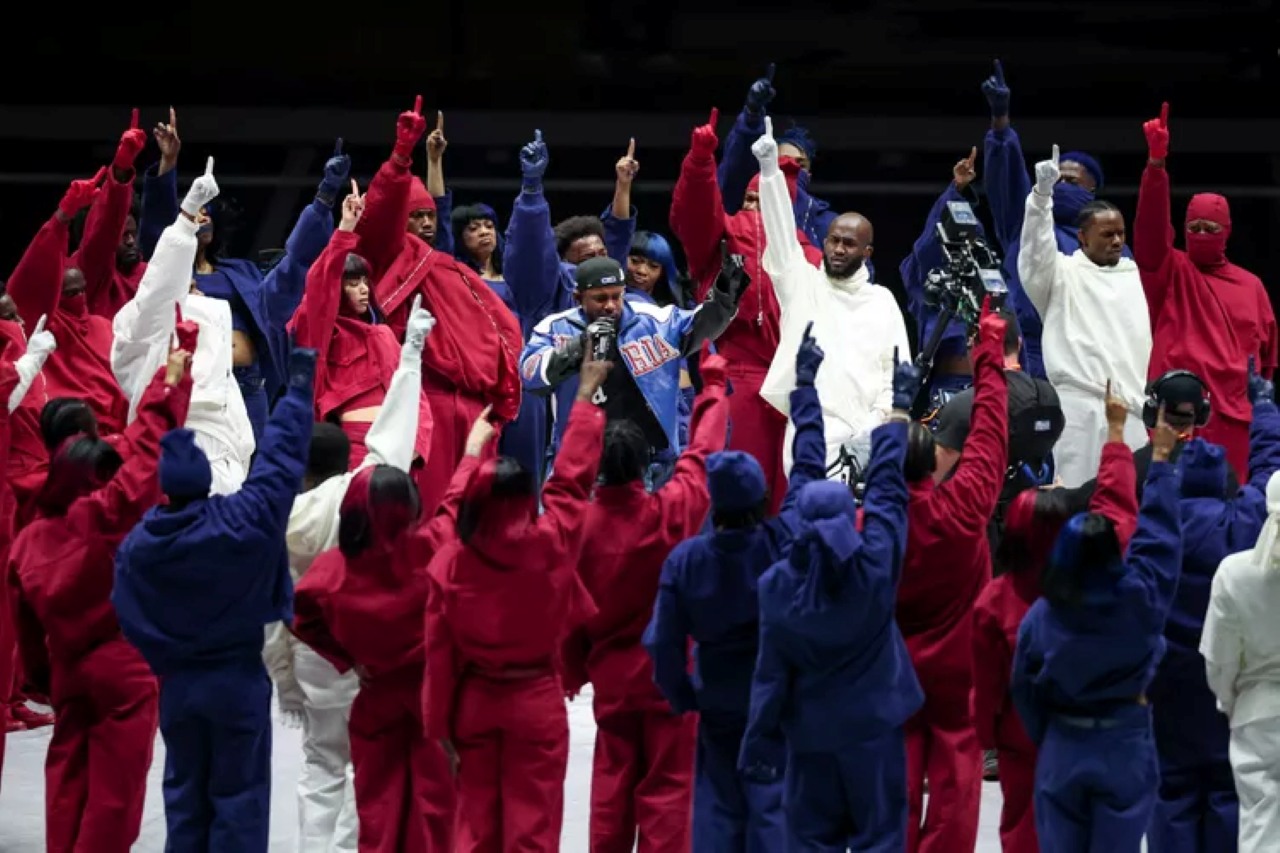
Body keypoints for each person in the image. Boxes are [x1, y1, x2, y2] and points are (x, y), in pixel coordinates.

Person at [112, 347, 316, 852]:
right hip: (237, 681)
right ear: (206, 476)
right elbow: (281, 460)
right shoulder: (241, 523)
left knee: (184, 795)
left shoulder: (138, 548)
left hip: (177, 685)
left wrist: (163, 655)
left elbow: (126, 613)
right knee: (239, 795)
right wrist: (298, 384)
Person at [645, 324, 831, 852]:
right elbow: (810, 471)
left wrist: (682, 695)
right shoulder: (783, 539)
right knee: (770, 805)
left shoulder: (686, 560)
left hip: (716, 695)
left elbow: (662, 643)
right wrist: (805, 390)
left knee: (716, 807)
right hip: (772, 694)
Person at [423, 348, 610, 852]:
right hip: (536, 704)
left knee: (474, 827)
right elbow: (571, 482)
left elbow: (440, 656)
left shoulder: (450, 563)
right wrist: (587, 398)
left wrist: (438, 725)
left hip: (476, 705)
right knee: (533, 828)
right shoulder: (550, 546)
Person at [10, 344, 193, 853]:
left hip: (69, 670)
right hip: (125, 667)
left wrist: (43, 680)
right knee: (115, 795)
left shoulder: (30, 538)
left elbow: (25, 630)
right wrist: (172, 382)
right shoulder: (109, 517)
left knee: (67, 781)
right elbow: (150, 448)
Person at [269, 298, 435, 852]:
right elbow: (395, 429)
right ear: (348, 460)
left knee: (320, 763)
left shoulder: (274, 518)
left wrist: (283, 681)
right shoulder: (360, 492)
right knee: (366, 764)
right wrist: (409, 353)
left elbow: (277, 613)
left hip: (312, 658)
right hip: (370, 650)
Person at [739, 355, 923, 851]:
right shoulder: (875, 568)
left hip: (811, 737)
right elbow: (887, 492)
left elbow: (770, 676)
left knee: (810, 841)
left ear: (799, 524)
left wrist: (805, 391)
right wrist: (900, 412)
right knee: (881, 838)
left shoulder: (778, 587)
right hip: (874, 730)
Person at [290, 376, 473, 853]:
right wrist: (472, 455)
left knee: (377, 801)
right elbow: (453, 509)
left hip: (374, 696)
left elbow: (301, 617)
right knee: (435, 803)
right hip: (429, 698)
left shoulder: (333, 573)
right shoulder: (430, 551)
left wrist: (346, 658)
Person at [565, 346, 730, 853]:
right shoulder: (670, 513)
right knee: (670, 791)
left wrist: (571, 671)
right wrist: (714, 390)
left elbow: (569, 613)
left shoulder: (579, 529)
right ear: (644, 465)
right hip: (670, 680)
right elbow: (699, 457)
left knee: (611, 789)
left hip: (612, 683)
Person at [1012, 394, 1184, 852]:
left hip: (1064, 744)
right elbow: (1159, 540)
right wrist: (1161, 462)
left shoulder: (1041, 617)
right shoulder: (1140, 601)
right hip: (1124, 743)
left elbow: (1023, 688)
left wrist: (1048, 735)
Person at [354, 97, 523, 515]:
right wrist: (400, 158)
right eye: (416, 217)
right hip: (422, 401)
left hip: (474, 406)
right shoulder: (390, 259)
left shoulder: (449, 267)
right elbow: (380, 218)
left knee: (479, 517)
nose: (427, 223)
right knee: (429, 514)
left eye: (431, 216)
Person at [138, 108, 337, 444]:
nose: (202, 217)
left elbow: (284, 284)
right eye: (194, 211)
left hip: (248, 384)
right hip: (195, 385)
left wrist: (324, 202)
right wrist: (168, 164)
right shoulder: (168, 274)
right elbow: (156, 230)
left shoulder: (239, 272)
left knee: (249, 472)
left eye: (207, 212)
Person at [1146, 365, 1280, 852]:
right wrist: (1263, 410)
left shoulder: (1155, 531)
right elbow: (1268, 471)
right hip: (1226, 683)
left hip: (1168, 681)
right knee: (1227, 790)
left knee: (1172, 788)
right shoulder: (1245, 526)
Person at [669, 106, 825, 512]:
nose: (755, 207)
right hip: (737, 373)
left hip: (795, 379)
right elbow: (694, 213)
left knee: (791, 490)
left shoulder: (808, 254)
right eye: (749, 198)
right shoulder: (723, 235)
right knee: (738, 493)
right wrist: (700, 161)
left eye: (765, 200)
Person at [894, 302, 1009, 851]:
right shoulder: (966, 508)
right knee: (957, 781)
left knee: (891, 778)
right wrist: (989, 348)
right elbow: (990, 429)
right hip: (958, 672)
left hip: (892, 673)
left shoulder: (874, 525)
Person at [753, 116, 910, 476]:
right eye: (833, 240)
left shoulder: (882, 300)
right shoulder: (801, 282)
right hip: (809, 431)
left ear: (867, 252)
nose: (838, 249)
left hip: (868, 434)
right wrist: (768, 172)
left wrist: (877, 425)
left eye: (849, 243)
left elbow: (896, 370)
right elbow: (779, 232)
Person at [1135, 101, 1278, 481]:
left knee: (1232, 503)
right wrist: (1156, 166)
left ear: (1227, 231)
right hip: (1179, 411)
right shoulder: (1169, 271)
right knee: (1168, 495)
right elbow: (1150, 231)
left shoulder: (1252, 286)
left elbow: (1266, 362)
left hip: (1234, 419)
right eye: (1193, 226)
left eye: (1210, 229)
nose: (1200, 234)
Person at [520, 256, 738, 484]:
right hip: (582, 460)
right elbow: (529, 375)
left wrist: (724, 293)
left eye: (617, 296)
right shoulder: (555, 327)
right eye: (600, 298)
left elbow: (701, 324)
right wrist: (579, 346)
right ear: (578, 298)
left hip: (648, 459)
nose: (611, 306)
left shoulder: (655, 319)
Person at [112, 156, 256, 495]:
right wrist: (187, 214)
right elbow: (161, 287)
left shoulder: (213, 318)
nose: (192, 287)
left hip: (222, 446)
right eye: (183, 284)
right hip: (171, 438)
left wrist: (241, 446)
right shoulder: (145, 322)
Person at [981, 58, 1128, 379]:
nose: (1061, 186)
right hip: (1025, 353)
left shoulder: (1112, 243)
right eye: (1056, 179)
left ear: (1093, 191)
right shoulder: (1028, 225)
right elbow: (1004, 177)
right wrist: (1000, 121)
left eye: (1072, 182)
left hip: (1087, 357)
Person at [1017, 143, 1150, 487]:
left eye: (1121, 233)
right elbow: (1035, 251)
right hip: (1077, 409)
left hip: (1131, 409)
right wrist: (1041, 198)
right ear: (1082, 237)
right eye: (1107, 234)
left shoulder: (1136, 277)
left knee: (1127, 507)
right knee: (1073, 503)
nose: (1117, 241)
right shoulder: (1060, 274)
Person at [289, 182, 434, 469]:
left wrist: (416, 443)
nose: (364, 289)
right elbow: (320, 288)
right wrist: (345, 228)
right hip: (349, 445)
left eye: (365, 281)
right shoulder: (322, 331)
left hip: (399, 445)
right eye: (353, 283)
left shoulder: (383, 335)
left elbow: (414, 391)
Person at [930, 309, 1065, 567]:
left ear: (973, 346)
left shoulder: (965, 405)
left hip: (974, 540)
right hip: (1031, 536)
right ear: (1021, 343)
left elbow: (931, 479)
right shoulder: (1048, 396)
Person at [4, 169, 131, 435]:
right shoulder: (41, 323)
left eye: (82, 291)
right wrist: (63, 216)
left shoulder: (105, 327)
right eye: (69, 294)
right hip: (58, 442)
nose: (79, 298)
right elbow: (32, 274)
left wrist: (121, 172)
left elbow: (106, 237)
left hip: (114, 441)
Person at [1202, 471, 1280, 852]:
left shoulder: (1235, 574)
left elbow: (1220, 660)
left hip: (1256, 713)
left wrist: (1229, 702)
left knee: (1260, 826)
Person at [715, 65, 849, 259]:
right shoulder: (745, 207)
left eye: (799, 165)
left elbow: (854, 275)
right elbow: (734, 168)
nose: (790, 168)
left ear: (809, 176)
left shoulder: (829, 224)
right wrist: (752, 117)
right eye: (781, 163)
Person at [899, 148, 989, 408]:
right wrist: (957, 188)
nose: (966, 246)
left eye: (973, 240)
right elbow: (927, 245)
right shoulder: (932, 285)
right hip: (946, 385)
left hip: (988, 386)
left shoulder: (988, 280)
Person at [70, 109, 149, 319]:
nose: (131, 241)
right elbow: (104, 229)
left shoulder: (148, 272)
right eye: (123, 236)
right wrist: (122, 169)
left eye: (133, 233)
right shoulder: (86, 269)